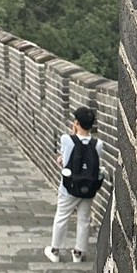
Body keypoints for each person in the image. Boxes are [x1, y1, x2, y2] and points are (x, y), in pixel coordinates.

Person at [44, 106, 102, 264]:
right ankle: (78, 253)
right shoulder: (98, 144)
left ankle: (55, 251)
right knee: (84, 219)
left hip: (68, 188)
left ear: (76, 123)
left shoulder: (66, 139)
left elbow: (64, 160)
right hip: (88, 188)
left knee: (62, 216)